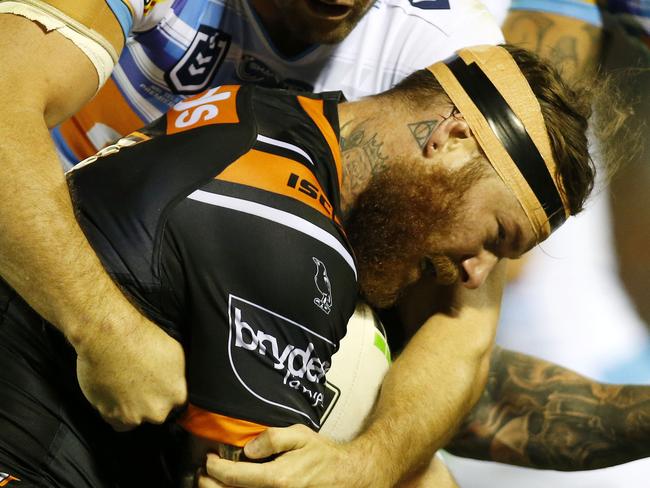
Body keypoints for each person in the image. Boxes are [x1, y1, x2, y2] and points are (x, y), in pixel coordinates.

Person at [0, 44, 596, 487]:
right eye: (495, 236)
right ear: (453, 137)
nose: (475, 274)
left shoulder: (261, 109)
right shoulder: (295, 239)